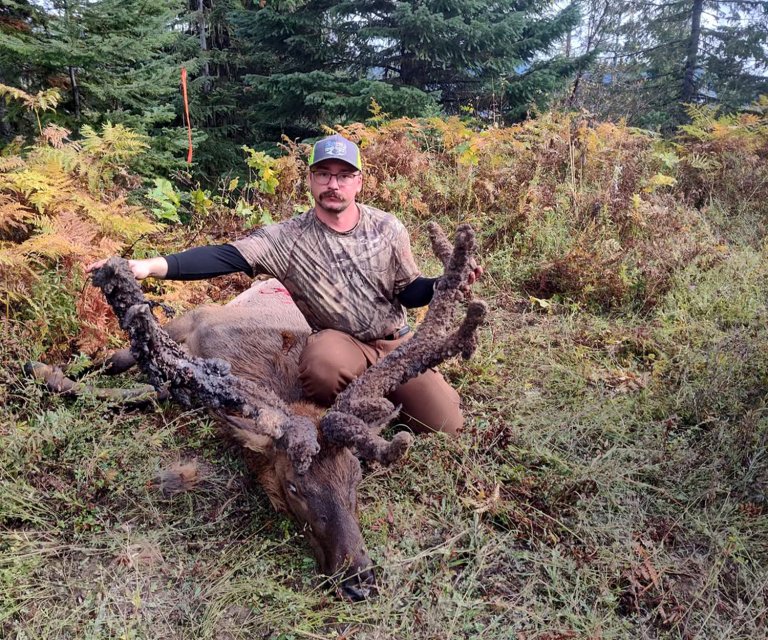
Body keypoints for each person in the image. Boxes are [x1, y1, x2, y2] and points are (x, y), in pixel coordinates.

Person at [87, 134, 482, 435]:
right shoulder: (285, 239)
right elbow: (224, 256)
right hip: (340, 343)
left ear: (359, 182)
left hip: (396, 340)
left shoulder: (387, 227)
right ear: (311, 180)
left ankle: (388, 392)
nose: (334, 184)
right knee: (322, 369)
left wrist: (443, 284)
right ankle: (359, 398)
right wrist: (150, 266)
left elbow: (409, 290)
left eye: (344, 176)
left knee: (447, 425)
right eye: (325, 174)